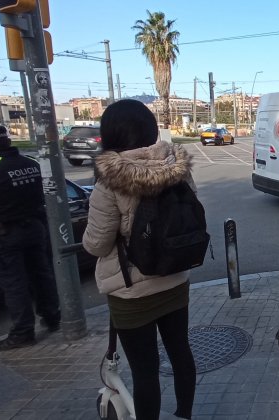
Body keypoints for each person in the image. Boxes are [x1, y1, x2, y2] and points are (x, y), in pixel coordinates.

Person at [82, 99, 196, 420]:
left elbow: (97, 243)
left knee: (145, 372)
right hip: (174, 279)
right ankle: (184, 415)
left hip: (131, 291)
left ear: (110, 136)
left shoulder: (110, 181)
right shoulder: (177, 169)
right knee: (181, 355)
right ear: (151, 129)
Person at [0, 125, 60, 351]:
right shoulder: (31, 164)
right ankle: (53, 317)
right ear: (7, 141)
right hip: (35, 229)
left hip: (6, 235)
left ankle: (22, 332)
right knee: (42, 275)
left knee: (15, 284)